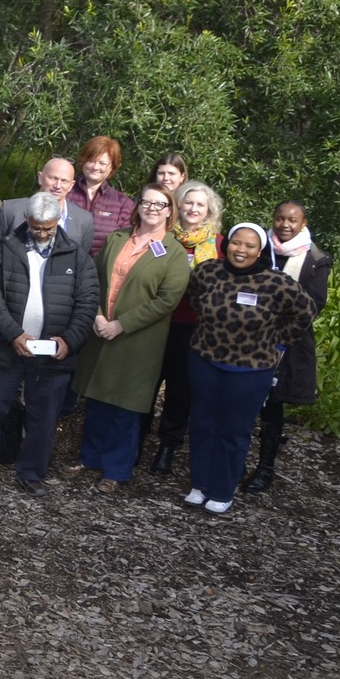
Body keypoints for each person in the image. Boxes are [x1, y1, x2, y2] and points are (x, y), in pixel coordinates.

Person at [0, 192, 99, 494]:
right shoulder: (3, 250)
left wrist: (70, 340)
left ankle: (32, 471)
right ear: (27, 219)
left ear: (58, 222)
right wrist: (13, 334)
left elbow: (87, 304)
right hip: (3, 348)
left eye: (49, 228)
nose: (43, 234)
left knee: (43, 417)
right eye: (37, 227)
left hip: (52, 355)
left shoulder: (78, 257)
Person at [182, 222, 315, 513]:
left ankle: (222, 490)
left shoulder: (276, 283)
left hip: (250, 371)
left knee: (233, 430)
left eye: (249, 245)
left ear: (260, 251)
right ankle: (199, 484)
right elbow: (193, 297)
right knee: (202, 424)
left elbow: (305, 312)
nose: (240, 250)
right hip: (205, 362)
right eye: (236, 243)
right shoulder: (207, 271)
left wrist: (279, 344)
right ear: (227, 244)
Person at [71, 185, 192, 492]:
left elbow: (167, 300)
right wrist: (98, 315)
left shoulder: (174, 252)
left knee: (124, 407)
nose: (151, 208)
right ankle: (90, 457)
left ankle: (115, 469)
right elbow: (92, 278)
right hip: (101, 330)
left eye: (159, 204)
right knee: (97, 399)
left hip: (137, 340)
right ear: (138, 206)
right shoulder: (117, 238)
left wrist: (122, 324)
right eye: (146, 202)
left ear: (169, 211)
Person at [248, 201, 331, 491]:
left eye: (292, 220)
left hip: (285, 343)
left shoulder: (315, 259)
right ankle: (233, 462)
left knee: (272, 406)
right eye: (280, 218)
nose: (285, 224)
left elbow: (314, 303)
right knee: (241, 402)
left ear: (303, 223)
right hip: (245, 338)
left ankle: (265, 468)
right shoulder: (258, 247)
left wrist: (272, 311)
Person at [150, 179, 224, 476]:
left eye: (200, 205)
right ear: (178, 206)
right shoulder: (162, 237)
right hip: (156, 321)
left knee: (180, 389)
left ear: (209, 211)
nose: (193, 209)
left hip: (194, 327)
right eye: (188, 202)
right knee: (146, 382)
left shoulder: (219, 244)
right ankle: (135, 440)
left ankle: (168, 446)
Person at [0, 156, 94, 253]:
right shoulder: (10, 211)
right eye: (53, 178)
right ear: (40, 178)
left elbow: (81, 260)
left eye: (64, 181)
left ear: (71, 185)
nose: (58, 186)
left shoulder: (84, 220)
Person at [68, 135, 136, 261]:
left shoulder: (123, 204)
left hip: (99, 268)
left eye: (102, 163)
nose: (95, 167)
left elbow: (126, 244)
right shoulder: (65, 192)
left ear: (112, 167)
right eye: (91, 160)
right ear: (83, 161)